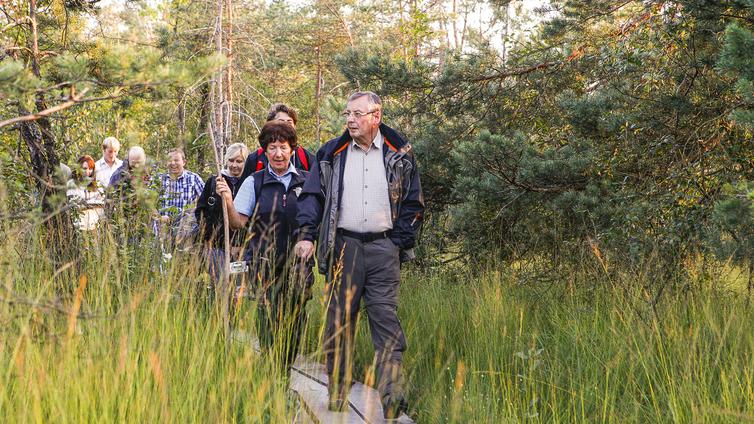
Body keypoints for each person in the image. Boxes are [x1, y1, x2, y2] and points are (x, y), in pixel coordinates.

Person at [294, 91, 424, 419]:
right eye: (347, 114)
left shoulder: (400, 154)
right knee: (339, 323)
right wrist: (308, 236)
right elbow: (312, 198)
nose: (349, 119)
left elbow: (413, 201)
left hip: (384, 250)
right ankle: (338, 392)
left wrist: (398, 241)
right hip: (344, 248)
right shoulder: (332, 153)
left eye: (356, 114)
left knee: (386, 322)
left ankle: (393, 399)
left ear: (375, 117)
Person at [216, 121, 313, 371]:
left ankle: (285, 367)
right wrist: (227, 199)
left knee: (295, 319)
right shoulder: (254, 182)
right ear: (265, 151)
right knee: (268, 320)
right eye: (272, 148)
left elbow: (316, 219)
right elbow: (238, 222)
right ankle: (274, 374)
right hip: (264, 264)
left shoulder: (307, 181)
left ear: (292, 149)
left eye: (283, 147)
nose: (278, 153)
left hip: (299, 266)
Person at [195, 142, 250, 291]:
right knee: (220, 286)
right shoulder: (215, 182)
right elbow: (201, 211)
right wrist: (208, 237)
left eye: (239, 161)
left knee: (238, 289)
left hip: (240, 248)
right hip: (216, 246)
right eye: (231, 160)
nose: (234, 165)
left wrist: (240, 243)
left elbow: (251, 218)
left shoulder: (249, 183)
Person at [240, 103, 315, 179]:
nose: (286, 125)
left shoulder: (306, 158)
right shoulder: (255, 159)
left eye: (289, 122)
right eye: (281, 121)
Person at [157, 148, 204, 235]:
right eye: (169, 160)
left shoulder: (193, 178)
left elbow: (206, 200)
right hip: (161, 230)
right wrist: (159, 217)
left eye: (176, 160)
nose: (173, 163)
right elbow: (148, 203)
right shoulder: (159, 179)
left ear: (184, 162)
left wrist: (195, 216)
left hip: (185, 231)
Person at [66, 155, 105, 231]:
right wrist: (91, 205)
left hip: (94, 225)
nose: (87, 172)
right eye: (84, 168)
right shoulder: (72, 183)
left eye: (90, 169)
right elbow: (73, 205)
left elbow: (102, 204)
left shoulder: (97, 184)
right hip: (78, 225)